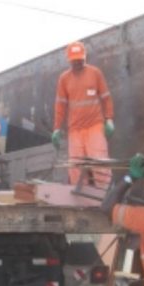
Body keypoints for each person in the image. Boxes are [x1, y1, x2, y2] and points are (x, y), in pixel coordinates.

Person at [52, 41, 114, 188]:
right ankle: (80, 201)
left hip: (95, 126)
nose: (78, 63)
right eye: (75, 60)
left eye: (80, 59)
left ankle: (105, 197)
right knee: (76, 167)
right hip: (75, 130)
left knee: (100, 164)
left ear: (85, 57)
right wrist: (56, 128)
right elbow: (60, 104)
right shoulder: (64, 79)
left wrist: (109, 119)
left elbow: (106, 97)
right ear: (69, 60)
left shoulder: (95, 73)